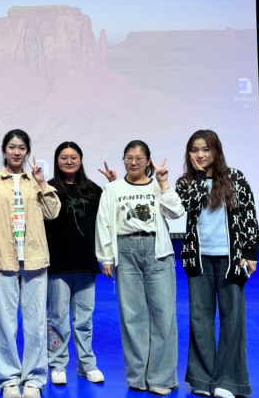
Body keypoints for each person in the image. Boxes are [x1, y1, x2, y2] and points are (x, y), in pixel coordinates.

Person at [95, 140, 184, 395]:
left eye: (139, 158)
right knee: (132, 316)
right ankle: (138, 377)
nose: (133, 162)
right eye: (129, 158)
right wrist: (106, 257)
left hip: (157, 251)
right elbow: (103, 222)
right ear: (124, 160)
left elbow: (177, 212)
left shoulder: (157, 185)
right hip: (126, 251)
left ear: (148, 161)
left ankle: (161, 378)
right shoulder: (112, 188)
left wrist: (164, 182)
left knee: (163, 314)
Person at [175, 130, 259, 398]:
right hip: (198, 259)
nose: (200, 154)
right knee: (200, 318)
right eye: (195, 150)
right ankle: (202, 378)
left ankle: (228, 381)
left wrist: (251, 252)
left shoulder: (236, 178)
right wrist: (200, 177)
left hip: (231, 259)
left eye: (206, 149)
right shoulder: (185, 182)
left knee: (232, 318)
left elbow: (249, 214)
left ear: (216, 151)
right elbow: (188, 205)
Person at [0, 129, 61, 398]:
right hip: (3, 258)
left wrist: (42, 183)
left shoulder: (34, 181)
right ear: (4, 149)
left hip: (34, 258)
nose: (17, 152)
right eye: (12, 147)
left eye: (22, 148)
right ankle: (9, 379)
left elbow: (52, 213)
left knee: (36, 321)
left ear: (27, 151)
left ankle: (34, 378)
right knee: (4, 321)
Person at [44, 142, 116, 386]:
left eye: (73, 157)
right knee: (57, 318)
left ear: (81, 159)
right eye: (64, 157)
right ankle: (57, 364)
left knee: (84, 319)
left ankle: (86, 364)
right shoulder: (49, 188)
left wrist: (112, 185)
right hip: (57, 264)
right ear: (57, 161)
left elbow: (107, 221)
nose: (69, 161)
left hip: (86, 262)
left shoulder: (93, 190)